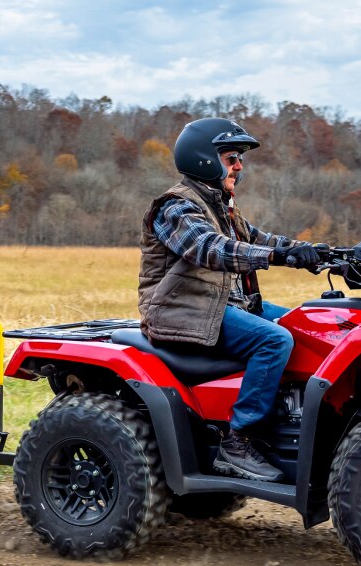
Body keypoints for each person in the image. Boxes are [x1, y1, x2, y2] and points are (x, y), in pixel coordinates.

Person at [137, 117, 321, 482]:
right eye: (231, 156)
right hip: (180, 312)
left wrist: (322, 253)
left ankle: (291, 425)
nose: (239, 165)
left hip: (220, 307)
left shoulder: (222, 206)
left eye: (239, 158)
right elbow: (209, 249)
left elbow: (263, 240)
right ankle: (239, 441)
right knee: (274, 339)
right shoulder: (176, 207)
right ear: (203, 158)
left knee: (308, 324)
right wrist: (276, 258)